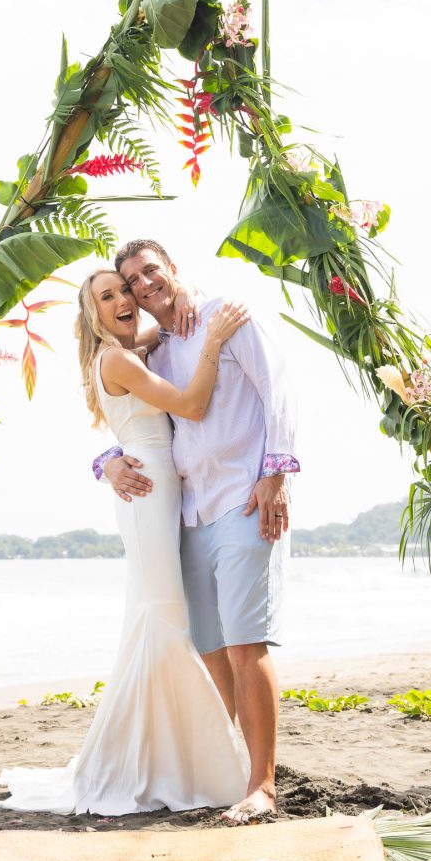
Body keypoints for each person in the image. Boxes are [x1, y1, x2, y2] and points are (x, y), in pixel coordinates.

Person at [0, 269, 251, 816]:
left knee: (158, 621)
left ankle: (170, 753)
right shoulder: (116, 359)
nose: (122, 300)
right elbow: (192, 406)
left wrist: (188, 318)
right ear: (95, 315)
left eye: (123, 291)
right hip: (149, 492)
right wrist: (215, 343)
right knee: (164, 620)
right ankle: (162, 761)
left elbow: (166, 332)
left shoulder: (133, 350)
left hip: (157, 489)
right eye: (106, 297)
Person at [94, 240, 299, 824]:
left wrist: (276, 476)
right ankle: (226, 769)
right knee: (208, 649)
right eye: (131, 281)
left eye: (149, 270)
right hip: (186, 512)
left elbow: (278, 393)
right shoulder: (150, 352)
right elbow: (140, 425)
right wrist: (106, 462)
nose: (142, 285)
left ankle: (262, 785)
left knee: (244, 642)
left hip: (243, 499)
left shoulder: (226, 315)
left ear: (173, 269)